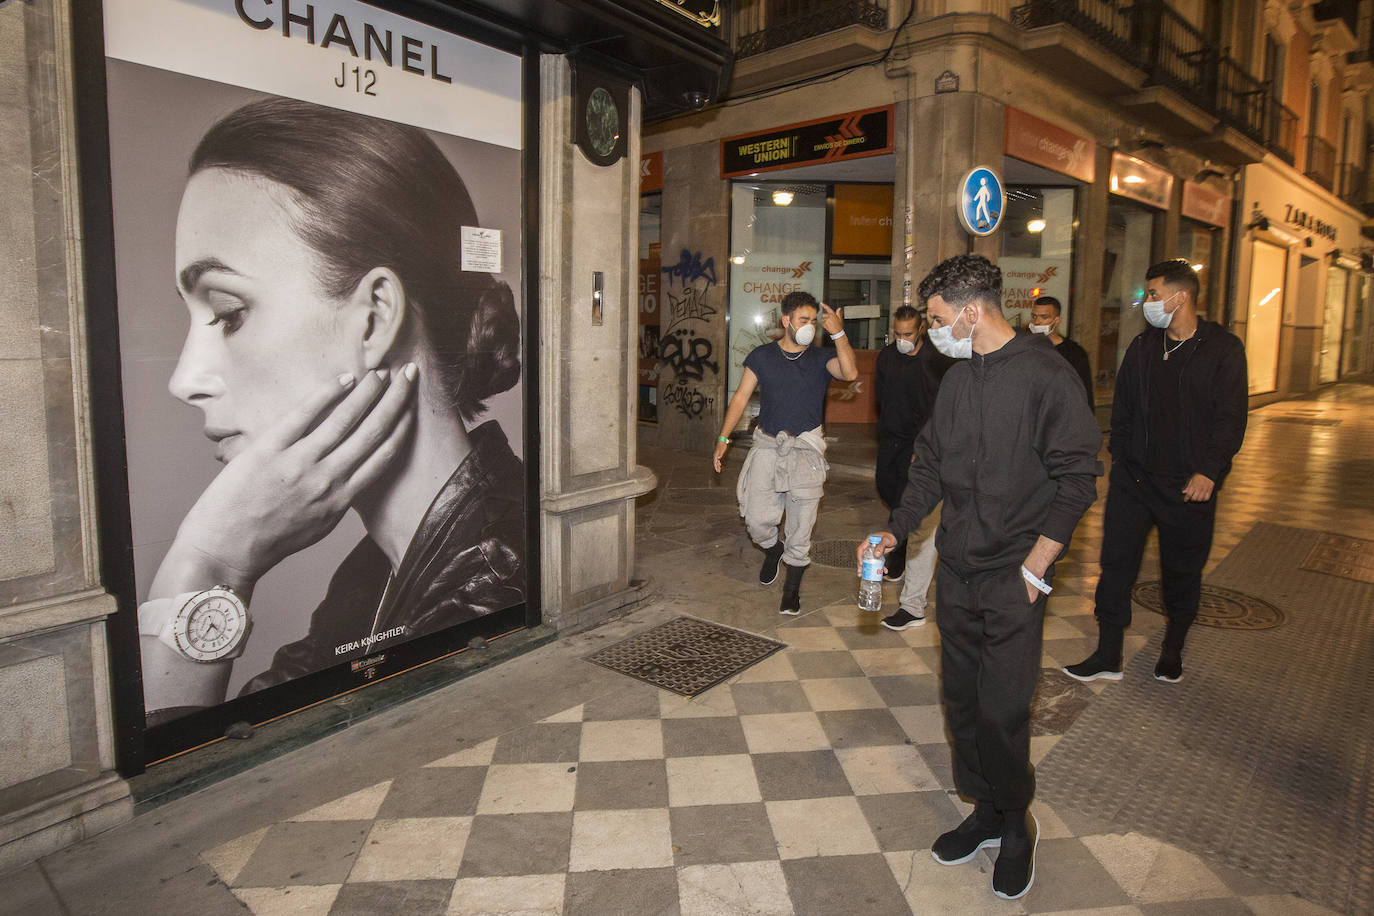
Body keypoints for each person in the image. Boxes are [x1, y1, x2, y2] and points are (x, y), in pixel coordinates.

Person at [138, 98, 525, 722]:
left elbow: (192, 787)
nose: (187, 380)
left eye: (229, 314)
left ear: (374, 319)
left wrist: (210, 563)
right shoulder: (377, 567)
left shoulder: (490, 583)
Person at [859, 255, 1102, 900]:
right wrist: (897, 528)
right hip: (958, 572)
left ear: (971, 310)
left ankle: (1017, 822)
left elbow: (1079, 478)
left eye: (937, 318)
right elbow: (931, 464)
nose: (932, 330)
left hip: (1014, 576)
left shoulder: (1049, 377)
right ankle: (987, 811)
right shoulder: (961, 381)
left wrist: (1040, 562)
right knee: (962, 703)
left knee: (1002, 710)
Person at [1065, 258, 1247, 684]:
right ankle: (1108, 654)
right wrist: (1123, 457)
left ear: (1180, 297)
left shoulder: (1222, 350)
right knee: (1115, 566)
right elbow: (1124, 410)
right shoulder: (1145, 347)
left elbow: (1230, 418)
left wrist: (1208, 471)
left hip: (1189, 488)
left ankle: (1173, 648)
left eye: (1152, 294)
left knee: (1181, 572)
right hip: (1135, 482)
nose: (1146, 302)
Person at [714, 291, 858, 614]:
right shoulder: (762, 356)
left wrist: (839, 333)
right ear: (786, 321)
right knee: (755, 519)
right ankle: (772, 548)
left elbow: (849, 373)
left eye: (813, 320)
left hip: (806, 449)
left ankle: (792, 587)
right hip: (767, 445)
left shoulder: (821, 358)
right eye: (803, 320)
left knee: (802, 523)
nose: (809, 326)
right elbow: (739, 398)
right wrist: (723, 440)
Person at [873, 305, 953, 629]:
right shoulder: (888, 358)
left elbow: (936, 409)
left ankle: (913, 604)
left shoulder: (938, 360)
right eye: (897, 333)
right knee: (898, 499)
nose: (902, 339)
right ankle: (899, 540)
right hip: (898, 441)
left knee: (923, 525)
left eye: (908, 333)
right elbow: (882, 397)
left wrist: (923, 447)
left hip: (926, 448)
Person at [1028, 295, 1094, 409]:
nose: (1037, 322)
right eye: (1034, 316)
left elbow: (1084, 393)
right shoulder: (1026, 348)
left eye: (1044, 317)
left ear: (1057, 320)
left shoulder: (1074, 353)